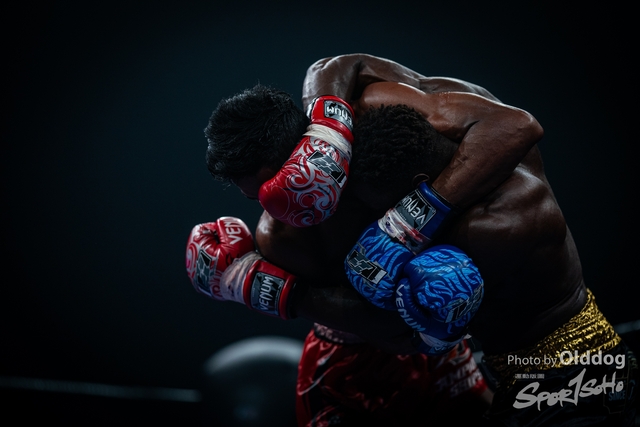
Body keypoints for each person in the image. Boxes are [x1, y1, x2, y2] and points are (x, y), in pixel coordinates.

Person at [303, 53, 638, 425]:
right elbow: (340, 65)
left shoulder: (491, 228)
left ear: (416, 187)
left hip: (575, 378)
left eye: (385, 206)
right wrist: (326, 132)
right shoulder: (471, 120)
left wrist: (272, 289)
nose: (384, 219)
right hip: (526, 373)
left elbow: (399, 332)